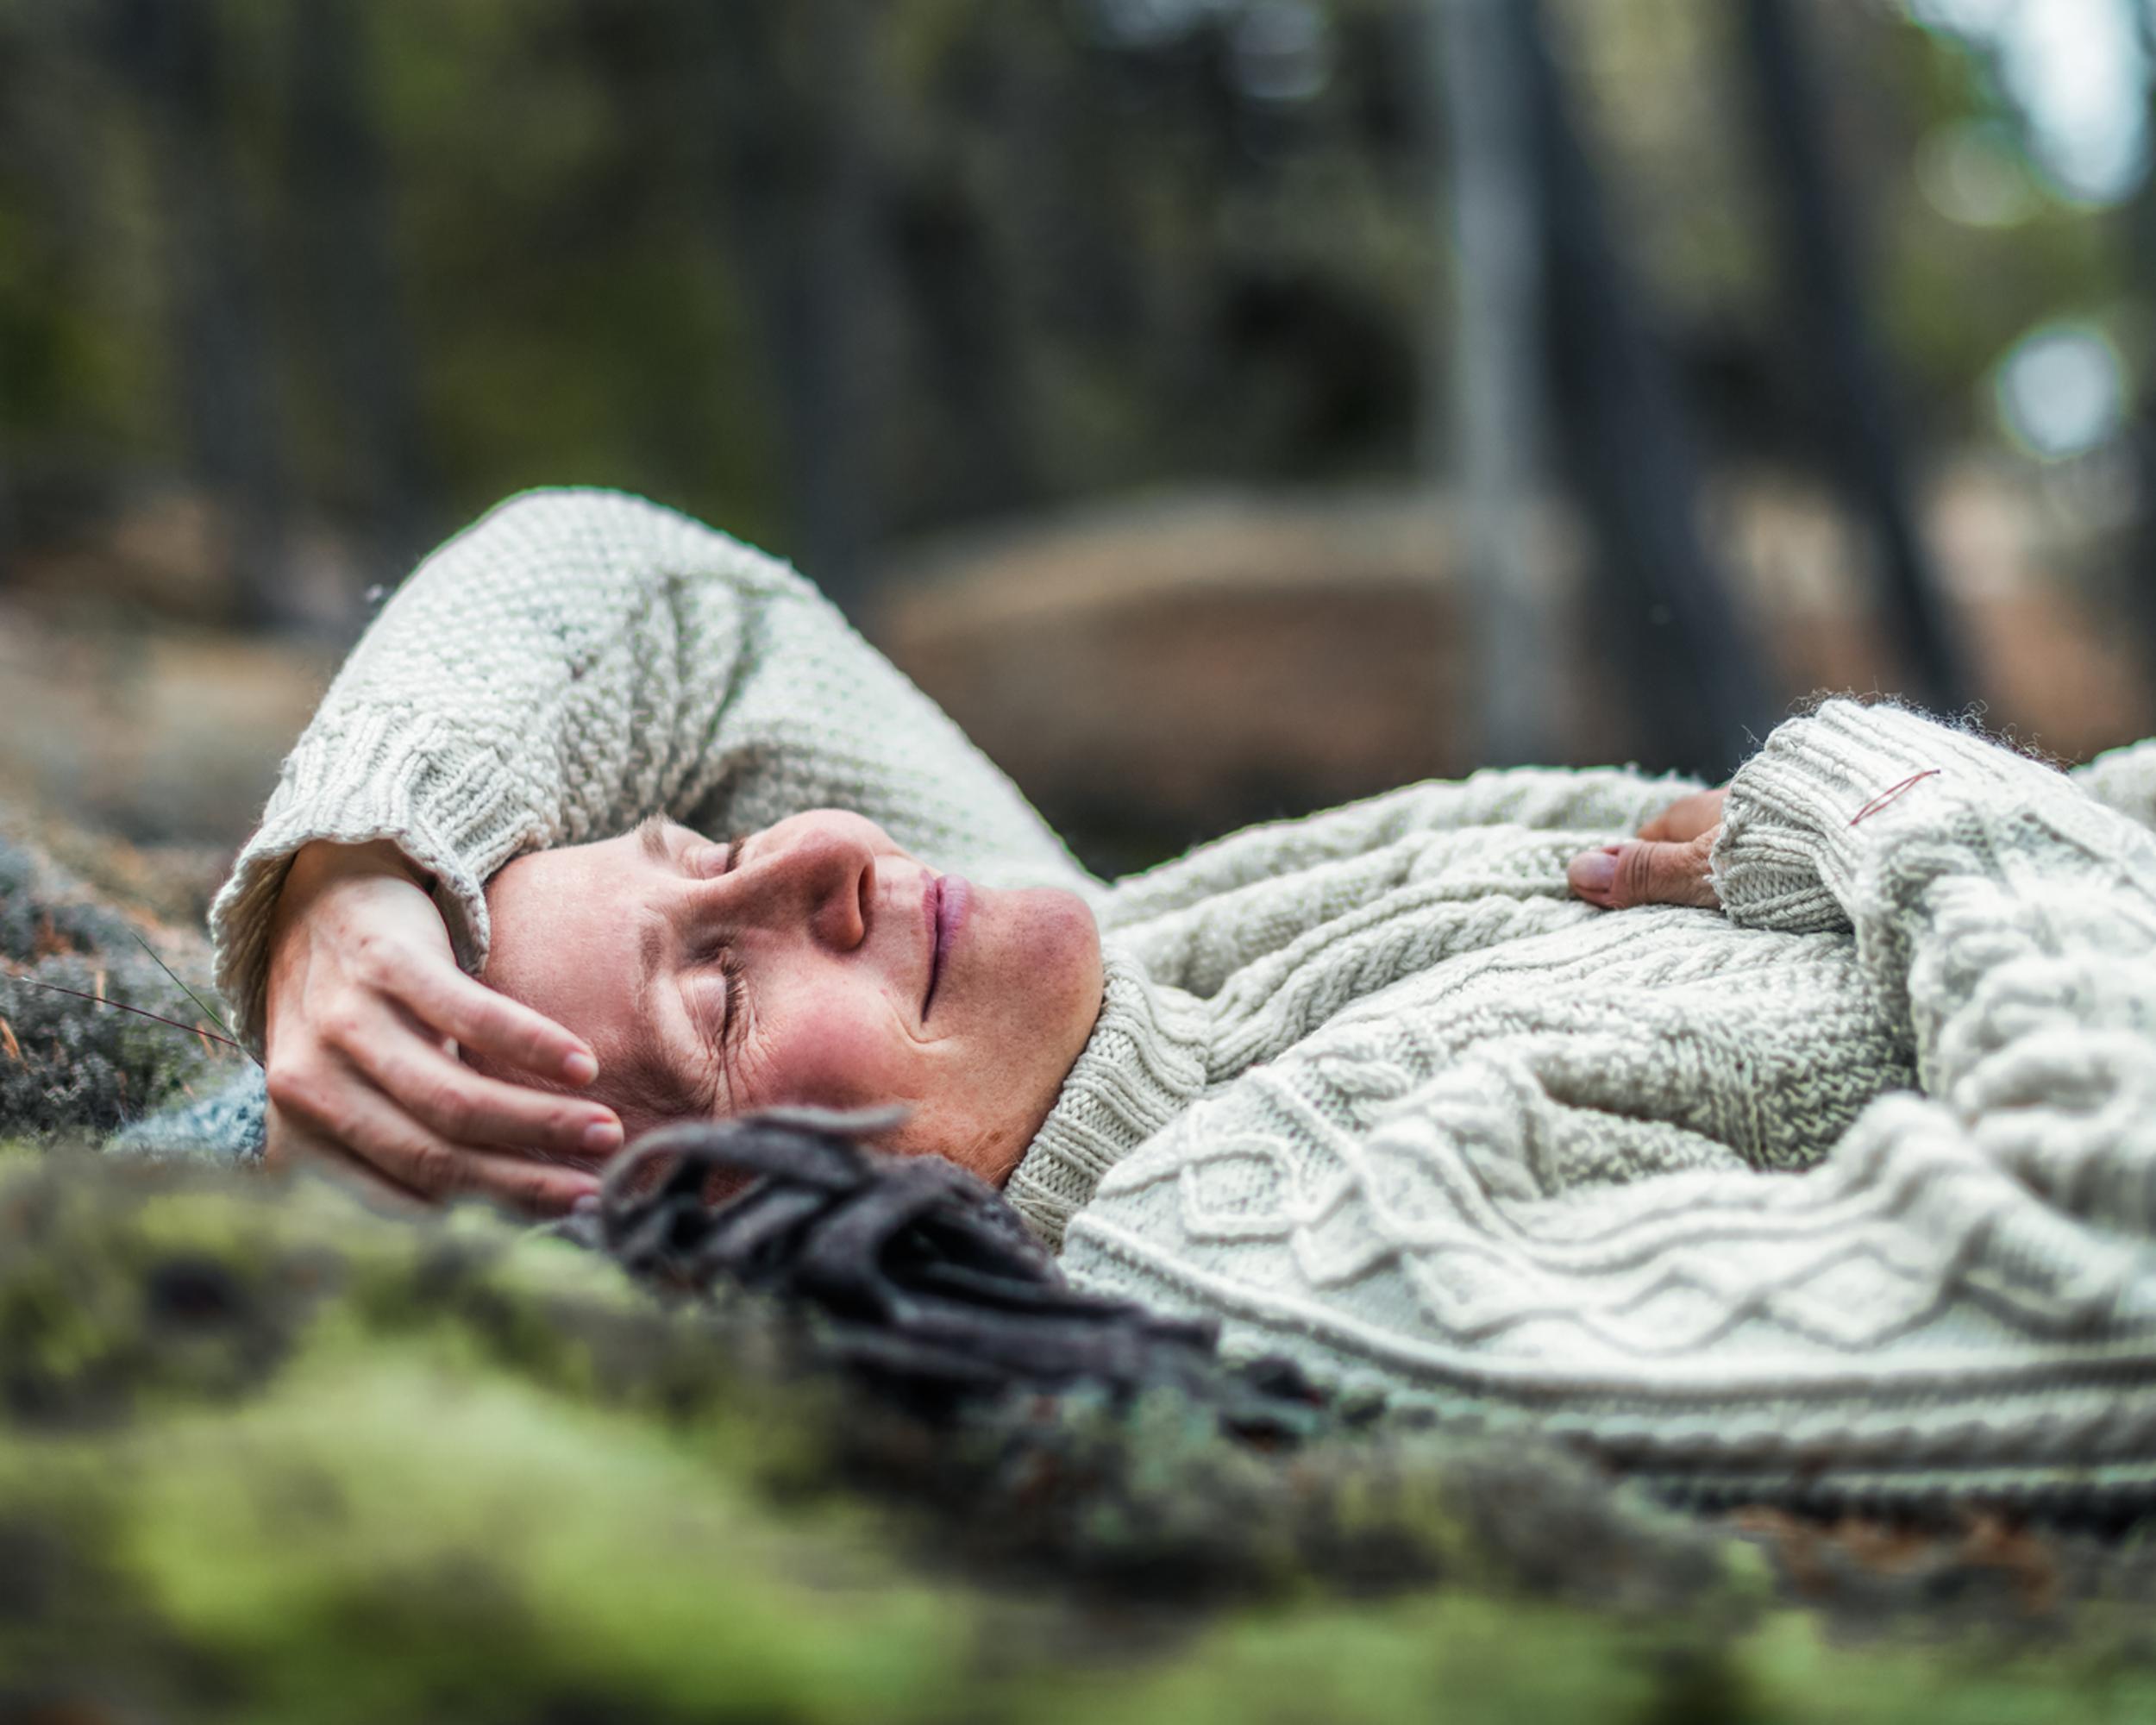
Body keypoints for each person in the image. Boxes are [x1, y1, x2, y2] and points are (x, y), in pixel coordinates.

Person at [198, 487, 2156, 1509]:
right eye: (717, 994)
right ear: (730, 1232)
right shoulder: (1259, 1242)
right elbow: (2105, 1306)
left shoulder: (1094, 973)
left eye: (699, 850)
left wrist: (359, 868)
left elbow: (662, 601)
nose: (812, 862)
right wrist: (1905, 805)